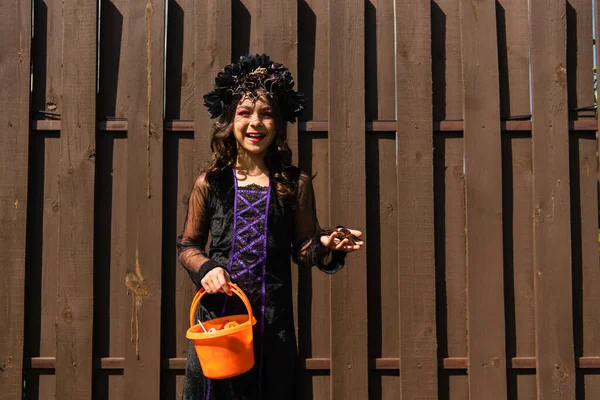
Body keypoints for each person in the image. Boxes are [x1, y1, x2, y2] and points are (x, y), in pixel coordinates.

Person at [177, 54, 364, 400]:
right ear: (230, 120)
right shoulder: (211, 183)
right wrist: (207, 268)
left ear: (278, 123)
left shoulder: (294, 184)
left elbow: (304, 248)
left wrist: (327, 242)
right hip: (218, 327)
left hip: (271, 327)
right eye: (245, 113)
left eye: (266, 114)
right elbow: (187, 245)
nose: (255, 123)